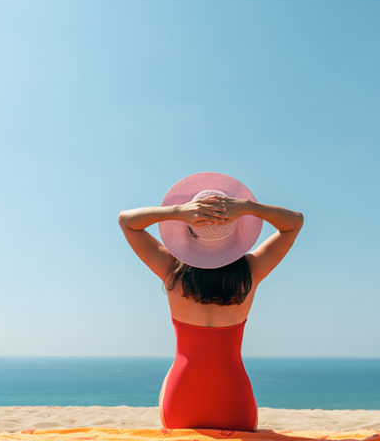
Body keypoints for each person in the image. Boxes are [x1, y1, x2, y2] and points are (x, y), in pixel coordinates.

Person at [117, 172, 304, 432]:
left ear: (188, 230)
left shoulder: (171, 270)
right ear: (237, 231)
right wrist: (248, 208)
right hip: (234, 401)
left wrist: (179, 211)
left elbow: (126, 220)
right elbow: (294, 222)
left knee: (171, 382)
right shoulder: (251, 271)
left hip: (181, 399)